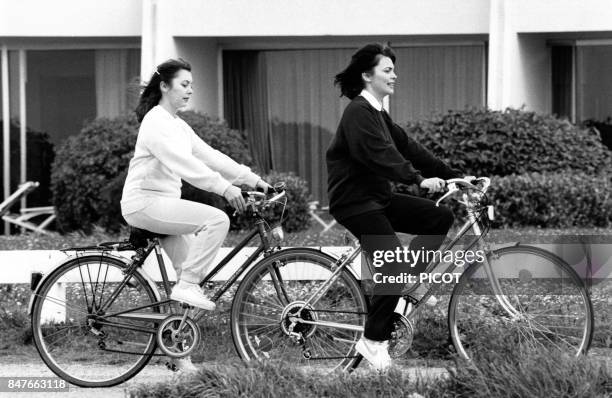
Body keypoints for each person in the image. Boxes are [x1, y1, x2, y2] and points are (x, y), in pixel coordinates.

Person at [121, 58, 271, 371]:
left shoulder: (177, 124)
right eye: (184, 84)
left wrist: (253, 180)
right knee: (217, 219)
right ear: (165, 86)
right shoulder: (156, 122)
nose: (190, 90)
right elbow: (184, 165)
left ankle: (178, 356)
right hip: (144, 203)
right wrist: (226, 189)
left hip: (163, 206)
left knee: (190, 274)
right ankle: (187, 286)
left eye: (192, 85)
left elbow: (212, 156)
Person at [327, 44, 462, 371]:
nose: (394, 75)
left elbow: (408, 147)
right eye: (387, 70)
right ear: (366, 75)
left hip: (377, 198)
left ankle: (407, 283)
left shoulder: (377, 112)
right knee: (391, 264)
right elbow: (379, 155)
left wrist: (455, 175)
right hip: (355, 202)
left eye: (393, 70)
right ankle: (373, 340)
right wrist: (417, 180)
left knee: (438, 216)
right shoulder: (358, 112)